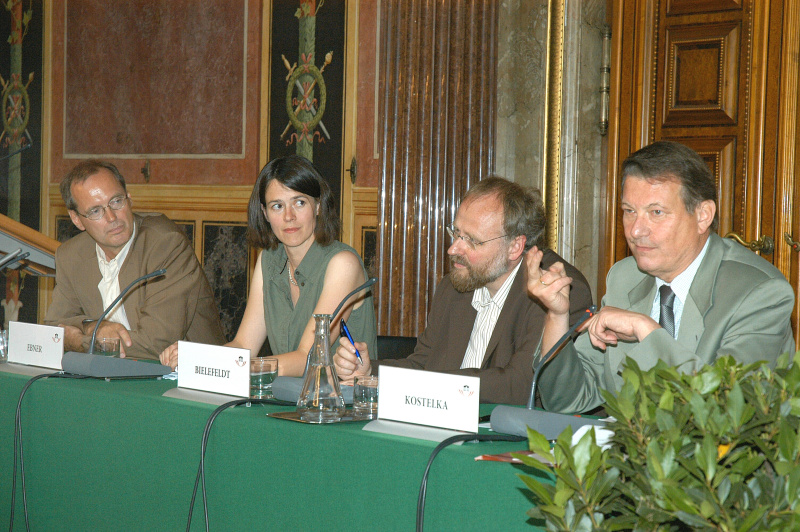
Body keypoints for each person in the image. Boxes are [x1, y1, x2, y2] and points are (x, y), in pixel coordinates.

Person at [528, 141, 796, 414]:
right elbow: (567, 400)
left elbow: (727, 412)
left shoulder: (759, 293)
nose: (636, 231)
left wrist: (647, 331)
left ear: (703, 216)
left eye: (656, 212)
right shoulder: (625, 278)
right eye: (629, 211)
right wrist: (557, 316)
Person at [334, 176, 593, 405]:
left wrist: (413, 386)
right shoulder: (454, 288)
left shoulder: (556, 289)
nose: (453, 249)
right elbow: (423, 364)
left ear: (515, 247)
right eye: (456, 232)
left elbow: (519, 385)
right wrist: (369, 373)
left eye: (472, 240)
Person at [159, 155, 377, 375]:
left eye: (299, 203)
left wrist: (229, 366)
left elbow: (308, 358)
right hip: (285, 398)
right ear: (264, 213)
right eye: (277, 206)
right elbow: (243, 345)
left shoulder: (342, 264)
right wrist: (198, 357)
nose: (289, 216)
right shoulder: (269, 259)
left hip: (338, 403)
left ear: (318, 206)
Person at [45, 160, 225, 360]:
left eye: (116, 201)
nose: (112, 217)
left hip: (184, 378)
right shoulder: (71, 255)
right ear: (76, 219)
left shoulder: (165, 244)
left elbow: (156, 343)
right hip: (112, 375)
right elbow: (54, 328)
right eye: (96, 211)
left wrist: (84, 340)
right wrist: (94, 327)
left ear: (129, 199)